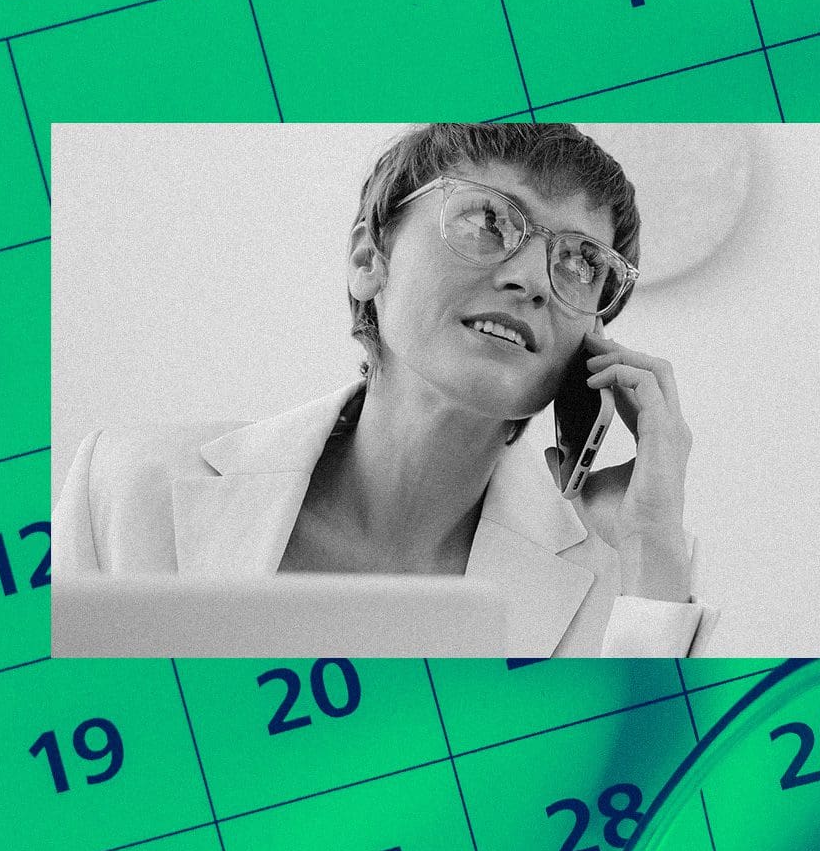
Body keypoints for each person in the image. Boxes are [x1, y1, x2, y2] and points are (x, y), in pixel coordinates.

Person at [53, 123, 716, 657]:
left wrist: (650, 548)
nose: (534, 280)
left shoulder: (629, 583)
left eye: (579, 261)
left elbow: (638, 797)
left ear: (594, 339)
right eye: (489, 222)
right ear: (371, 260)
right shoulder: (127, 486)